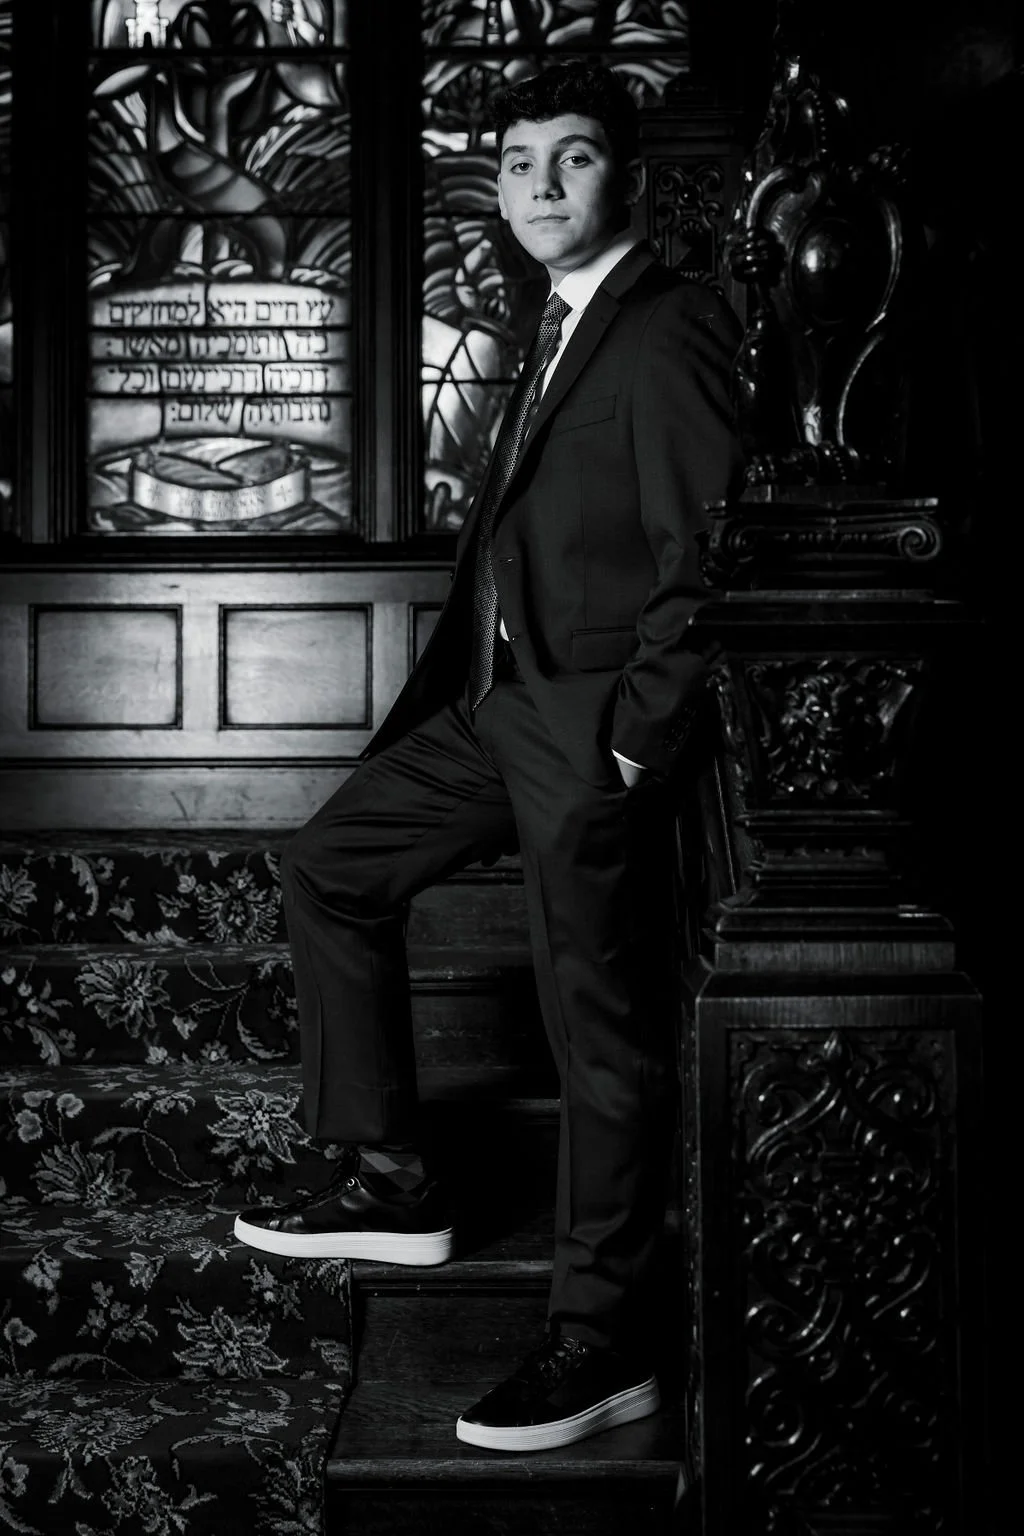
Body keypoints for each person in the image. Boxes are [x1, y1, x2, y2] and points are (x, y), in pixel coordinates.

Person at [234, 61, 743, 1453]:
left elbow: (707, 562)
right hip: (498, 709)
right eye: (519, 162)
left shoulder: (670, 324)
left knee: (600, 1037)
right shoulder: (558, 321)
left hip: (587, 728)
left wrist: (637, 743)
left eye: (571, 160)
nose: (538, 186)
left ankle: (601, 1338)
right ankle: (392, 1170)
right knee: (333, 862)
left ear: (622, 178)